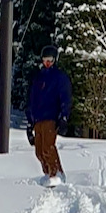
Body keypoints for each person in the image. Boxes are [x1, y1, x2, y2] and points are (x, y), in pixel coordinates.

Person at [26, 44, 71, 186]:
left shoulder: (59, 77)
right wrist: (29, 123)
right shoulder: (38, 78)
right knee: (39, 151)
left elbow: (65, 97)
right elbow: (32, 100)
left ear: (55, 60)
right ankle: (48, 174)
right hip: (38, 118)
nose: (47, 63)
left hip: (51, 117)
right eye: (45, 60)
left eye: (50, 60)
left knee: (47, 147)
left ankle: (57, 173)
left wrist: (64, 117)